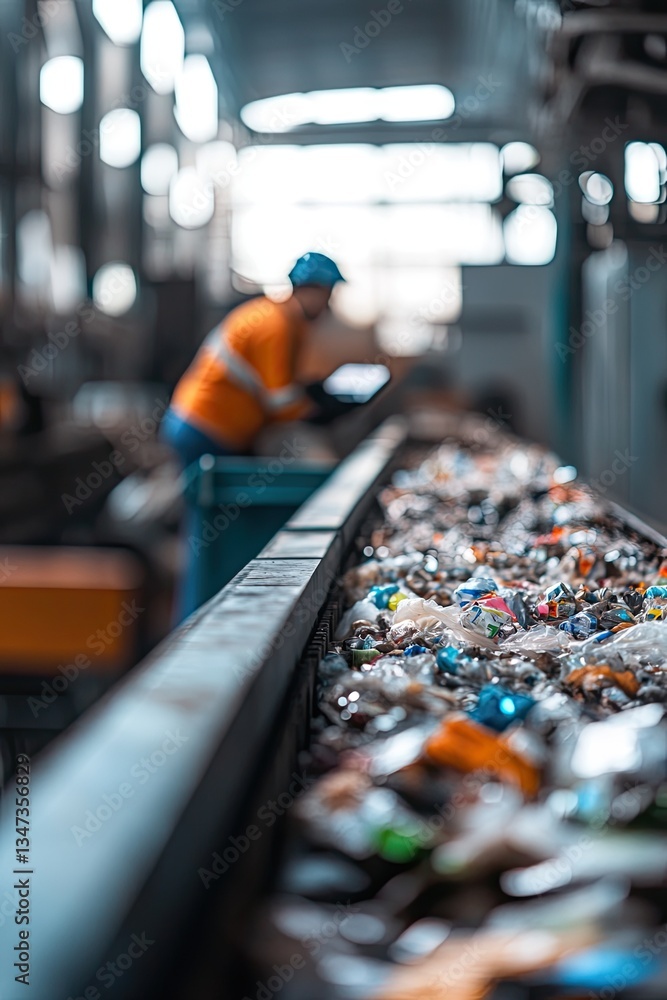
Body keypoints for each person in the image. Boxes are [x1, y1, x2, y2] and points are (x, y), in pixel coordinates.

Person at [161, 252, 346, 467]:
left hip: (205, 426)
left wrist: (310, 394)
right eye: (327, 293)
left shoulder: (287, 323)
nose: (328, 303)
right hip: (204, 428)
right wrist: (318, 410)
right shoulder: (275, 325)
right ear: (311, 289)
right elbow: (280, 401)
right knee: (207, 497)